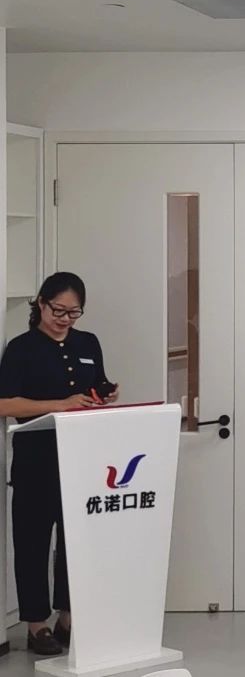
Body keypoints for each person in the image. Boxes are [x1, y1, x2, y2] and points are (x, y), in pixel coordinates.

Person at [0, 272, 118, 656]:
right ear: (40, 303)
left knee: (77, 541)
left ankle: (68, 619)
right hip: (36, 462)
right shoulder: (21, 348)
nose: (64, 319)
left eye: (73, 312)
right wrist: (60, 404)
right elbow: (5, 403)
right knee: (33, 543)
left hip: (81, 456)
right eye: (58, 310)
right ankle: (36, 625)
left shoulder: (88, 343)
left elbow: (96, 383)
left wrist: (105, 394)